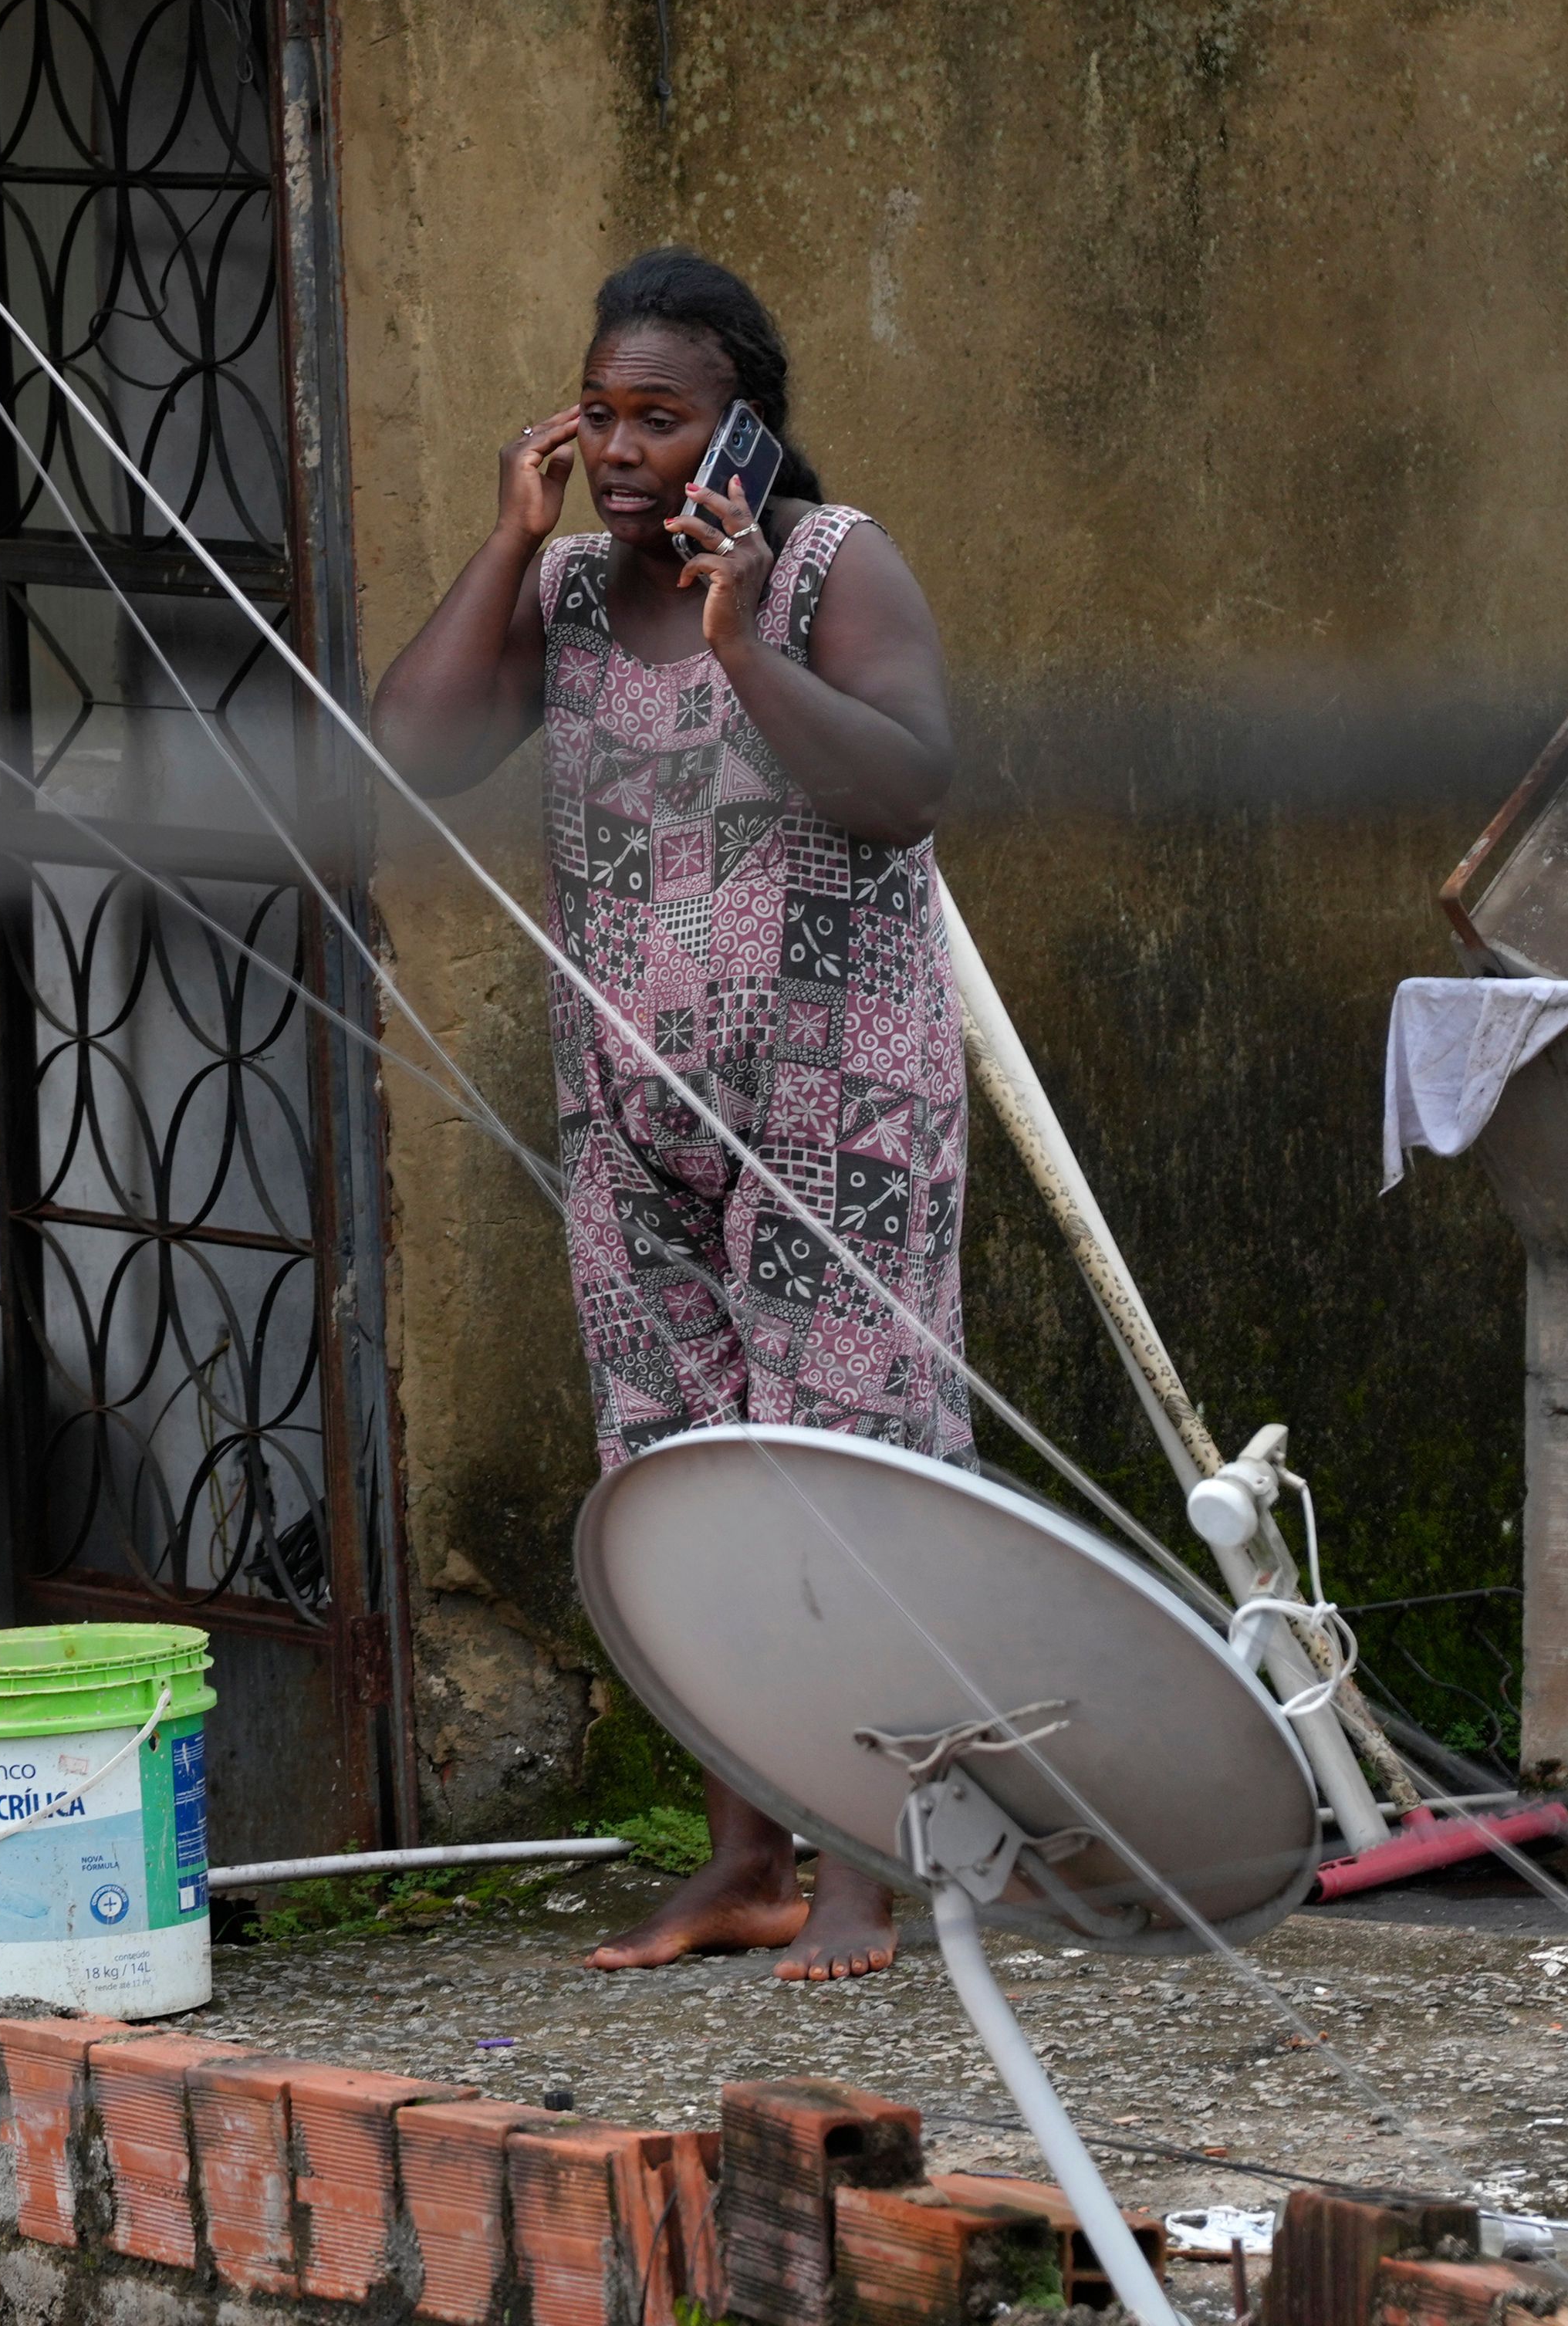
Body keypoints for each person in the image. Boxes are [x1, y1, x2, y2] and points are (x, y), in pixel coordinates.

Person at [373, 248, 965, 1983]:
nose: (624, 452)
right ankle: (745, 1863)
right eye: (603, 416)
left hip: (834, 1109)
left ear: (743, 434)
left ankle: (863, 1873)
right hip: (634, 1109)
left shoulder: (831, 571)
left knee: (843, 1488)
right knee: (685, 1482)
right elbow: (413, 752)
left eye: (664, 420)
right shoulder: (555, 593)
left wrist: (739, 640)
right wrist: (503, 537)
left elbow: (904, 788)